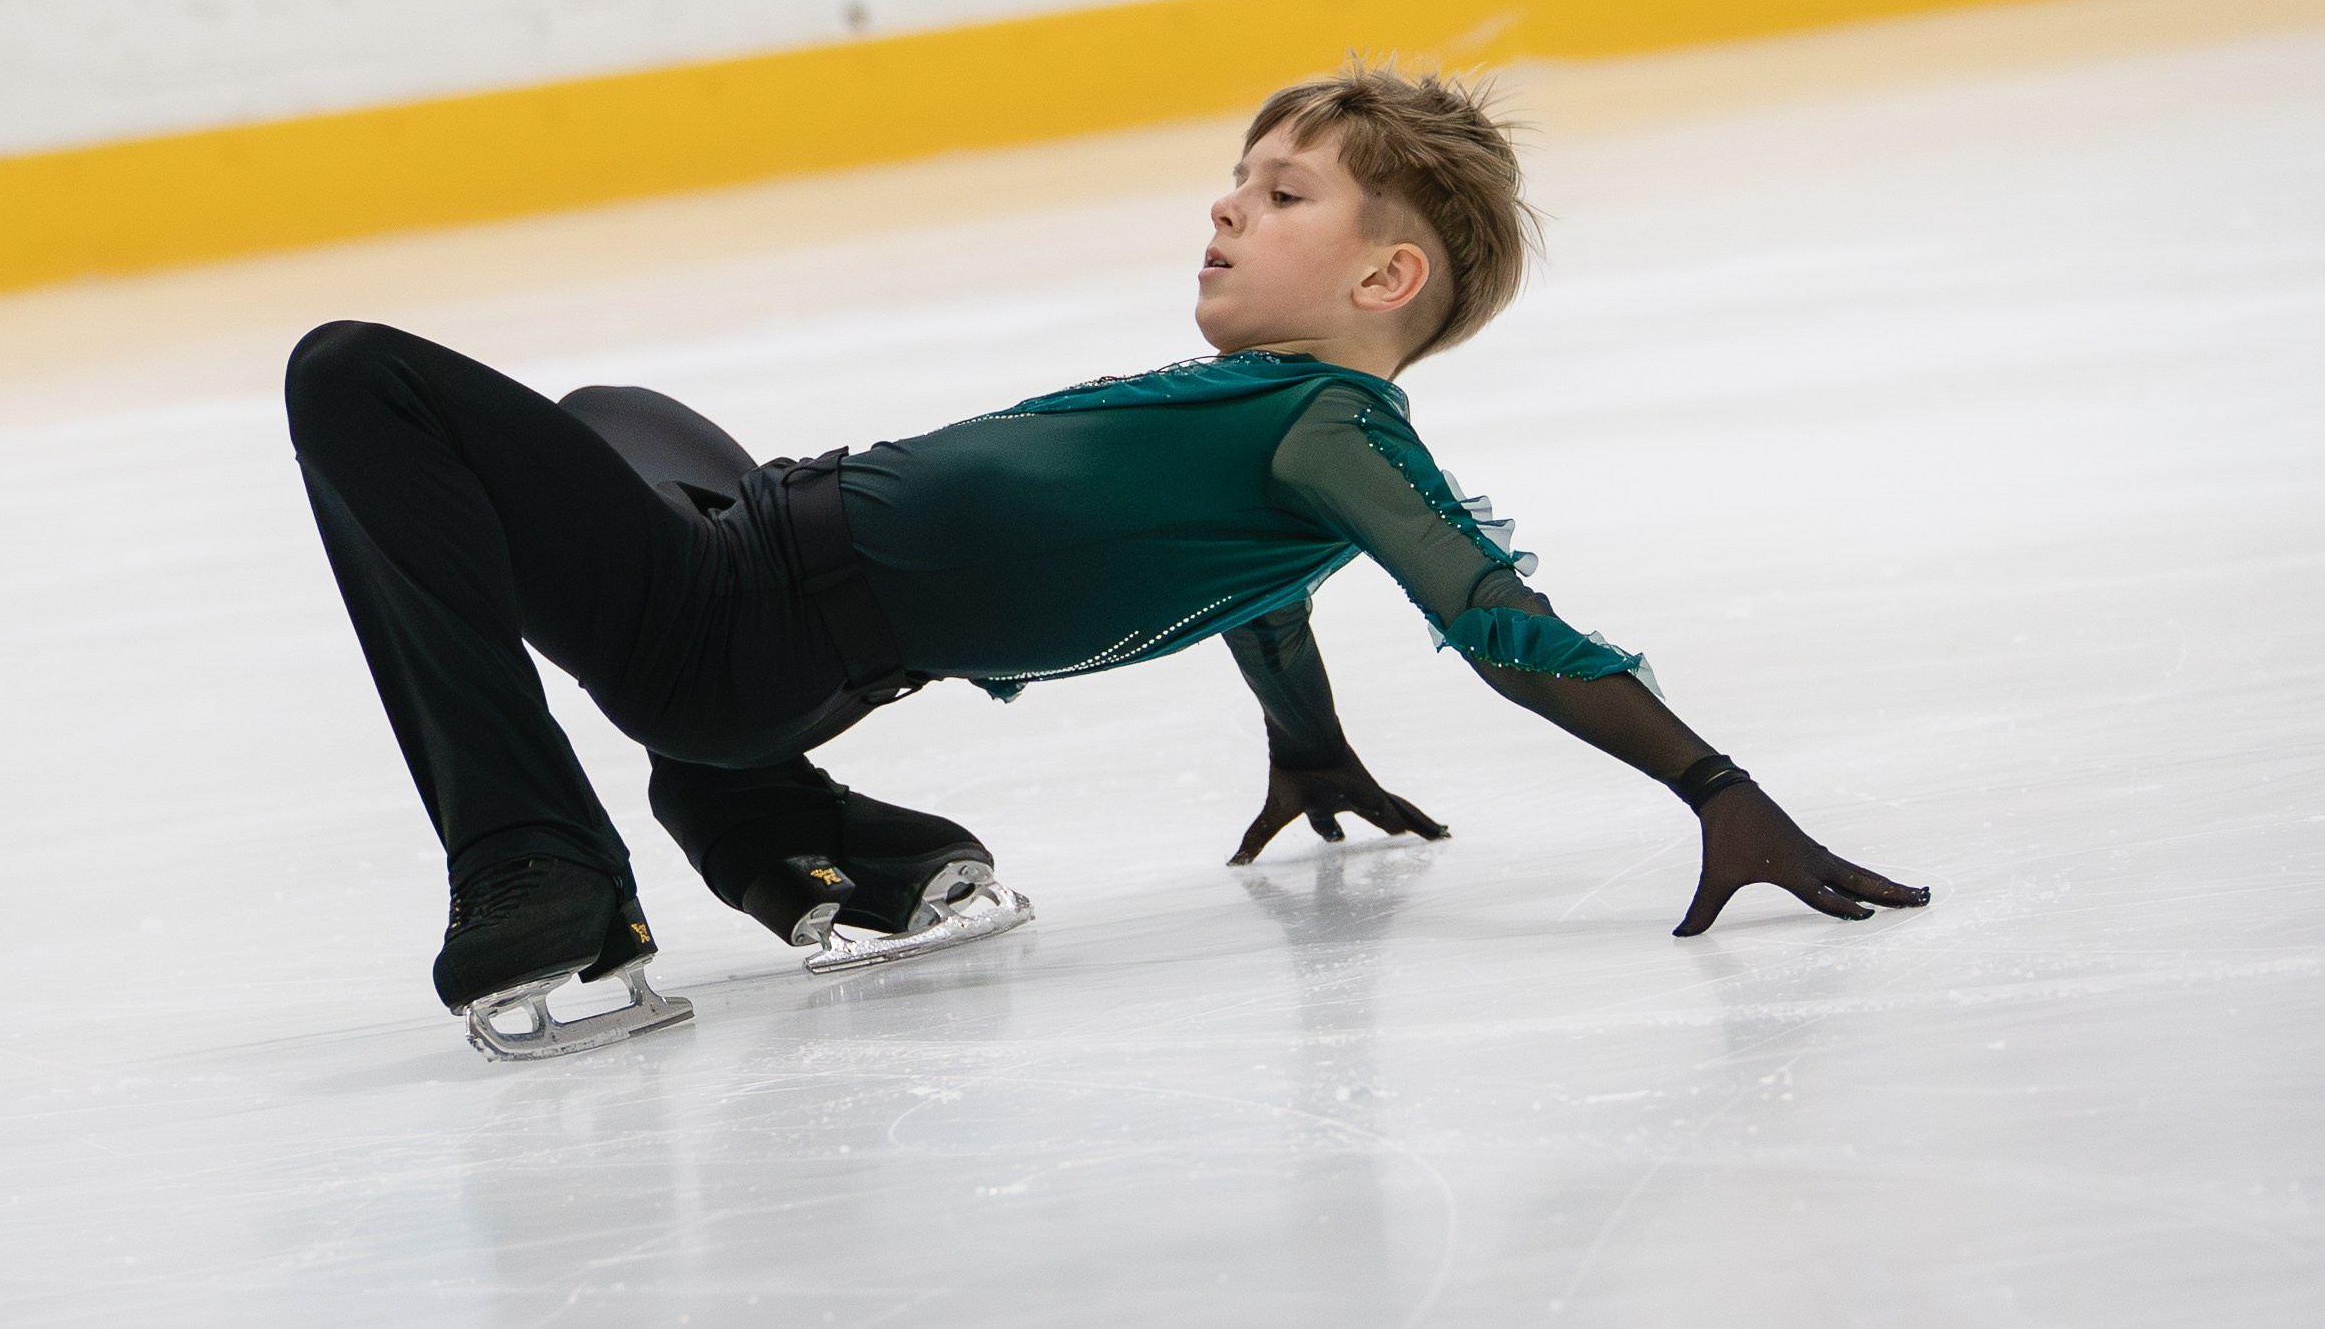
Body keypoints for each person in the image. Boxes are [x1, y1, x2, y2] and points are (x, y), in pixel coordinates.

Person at [284, 64, 1928, 1059]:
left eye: (1279, 194)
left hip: (736, 627)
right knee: (611, 412)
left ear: (1387, 275)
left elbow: (1502, 624)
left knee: (355, 374)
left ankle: (536, 865)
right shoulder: (1288, 443)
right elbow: (1258, 584)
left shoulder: (1330, 435)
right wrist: (1308, 744)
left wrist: (1714, 789)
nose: (1223, 211)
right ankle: (770, 820)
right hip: (753, 598)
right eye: (1233, 181)